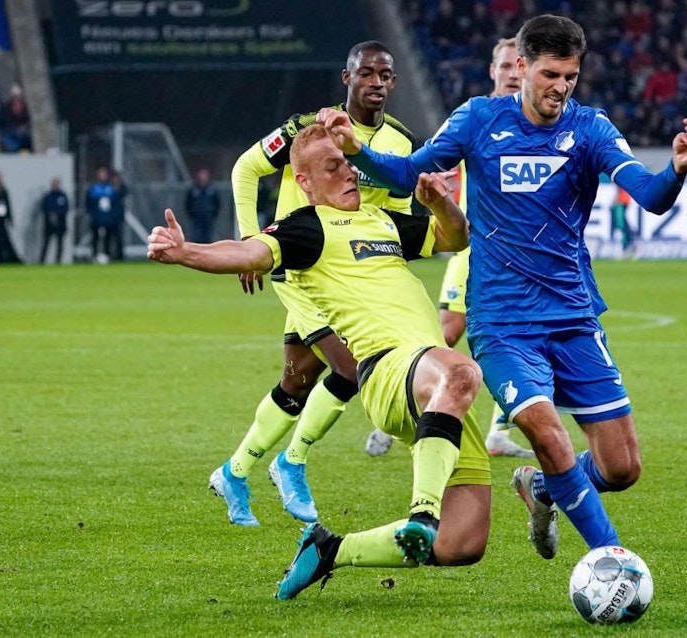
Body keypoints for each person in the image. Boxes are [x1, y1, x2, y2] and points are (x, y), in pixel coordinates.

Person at [317, 14, 687, 559]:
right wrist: (357, 154)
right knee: (550, 436)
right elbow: (410, 173)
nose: (561, 88)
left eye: (571, 76)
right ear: (521, 66)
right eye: (551, 74)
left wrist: (677, 169)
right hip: (503, 324)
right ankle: (614, 561)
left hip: (573, 317)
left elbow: (649, 193)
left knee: (621, 469)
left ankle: (544, 488)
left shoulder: (590, 128)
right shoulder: (479, 119)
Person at [148, 124, 491, 600]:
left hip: (432, 387)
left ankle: (330, 549)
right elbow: (247, 251)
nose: (349, 172)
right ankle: (422, 511)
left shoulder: (381, 222)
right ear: (304, 181)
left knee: (463, 543)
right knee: (462, 370)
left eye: (347, 163)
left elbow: (455, 238)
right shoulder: (307, 227)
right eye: (333, 167)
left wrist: (440, 203)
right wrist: (186, 252)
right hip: (389, 369)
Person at [211, 40, 415, 527]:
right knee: (350, 367)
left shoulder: (402, 143)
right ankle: (292, 462)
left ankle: (235, 471)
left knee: (298, 380)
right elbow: (246, 168)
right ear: (347, 78)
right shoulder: (308, 129)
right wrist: (249, 241)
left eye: (385, 75)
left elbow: (397, 216)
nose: (377, 84)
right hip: (298, 263)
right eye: (366, 73)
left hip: (351, 275)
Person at [406, 37, 534, 459]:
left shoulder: (543, 120)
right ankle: (410, 396)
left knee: (526, 341)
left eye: (519, 67)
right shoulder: (474, 117)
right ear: (493, 71)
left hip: (527, 258)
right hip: (477, 249)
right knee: (447, 332)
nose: (513, 74)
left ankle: (498, 431)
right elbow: (431, 160)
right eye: (505, 67)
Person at [0, 170, 21, 264]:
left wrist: (9, 218)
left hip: (1, 221)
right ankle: (0, 257)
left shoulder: (3, 190)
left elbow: (7, 206)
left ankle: (9, 258)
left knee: (5, 240)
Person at [85, 166, 115, 263]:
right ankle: (94, 255)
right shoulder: (93, 188)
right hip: (96, 218)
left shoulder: (110, 188)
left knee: (108, 238)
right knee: (95, 237)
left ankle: (107, 255)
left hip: (108, 218)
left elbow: (115, 203)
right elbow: (88, 203)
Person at [185, 168, 221, 243]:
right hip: (197, 219)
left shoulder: (211, 190)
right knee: (197, 237)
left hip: (209, 219)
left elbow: (217, 204)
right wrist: (193, 213)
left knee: (209, 237)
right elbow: (188, 204)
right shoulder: (194, 189)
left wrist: (212, 214)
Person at [39, 177, 70, 264]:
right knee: (46, 243)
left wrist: (58, 214)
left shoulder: (63, 196)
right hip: (49, 224)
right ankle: (42, 261)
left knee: (60, 244)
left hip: (60, 223)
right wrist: (51, 214)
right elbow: (44, 208)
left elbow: (66, 208)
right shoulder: (48, 196)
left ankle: (58, 261)